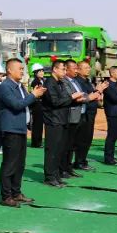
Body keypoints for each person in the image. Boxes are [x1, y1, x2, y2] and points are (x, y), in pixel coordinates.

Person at [0, 59, 46, 207]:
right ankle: (6, 196)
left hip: (20, 129)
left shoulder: (20, 86)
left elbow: (25, 104)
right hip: (11, 129)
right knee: (10, 164)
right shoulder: (5, 86)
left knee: (19, 164)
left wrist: (34, 95)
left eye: (23, 69)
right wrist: (34, 95)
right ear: (9, 70)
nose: (22, 71)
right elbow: (17, 105)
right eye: (19, 68)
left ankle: (16, 193)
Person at [41, 59, 81, 187]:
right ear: (55, 69)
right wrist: (72, 97)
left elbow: (65, 100)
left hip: (62, 120)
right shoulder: (49, 83)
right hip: (53, 121)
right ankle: (49, 177)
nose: (64, 72)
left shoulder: (60, 83)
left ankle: (56, 175)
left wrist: (77, 99)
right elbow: (55, 102)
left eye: (65, 69)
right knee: (52, 150)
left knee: (60, 150)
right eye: (63, 69)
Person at [59, 58, 98, 180]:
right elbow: (75, 97)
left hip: (80, 115)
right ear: (67, 69)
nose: (75, 70)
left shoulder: (74, 81)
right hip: (71, 117)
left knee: (73, 144)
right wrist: (89, 97)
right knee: (68, 144)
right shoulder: (65, 81)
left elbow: (81, 95)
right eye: (74, 68)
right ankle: (63, 168)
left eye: (77, 68)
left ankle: (68, 168)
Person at [73, 59, 106, 171]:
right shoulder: (78, 82)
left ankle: (83, 160)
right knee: (82, 140)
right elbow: (85, 96)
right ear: (78, 70)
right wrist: (97, 90)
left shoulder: (87, 81)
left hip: (91, 113)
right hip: (84, 114)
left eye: (88, 67)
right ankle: (79, 162)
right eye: (85, 68)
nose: (88, 70)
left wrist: (98, 93)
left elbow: (94, 95)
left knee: (87, 139)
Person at [29, 63, 46, 147]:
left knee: (40, 124)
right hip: (37, 104)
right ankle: (36, 142)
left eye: (42, 71)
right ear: (36, 73)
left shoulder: (42, 80)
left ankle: (38, 141)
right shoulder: (35, 82)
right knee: (37, 124)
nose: (42, 72)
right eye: (40, 71)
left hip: (41, 104)